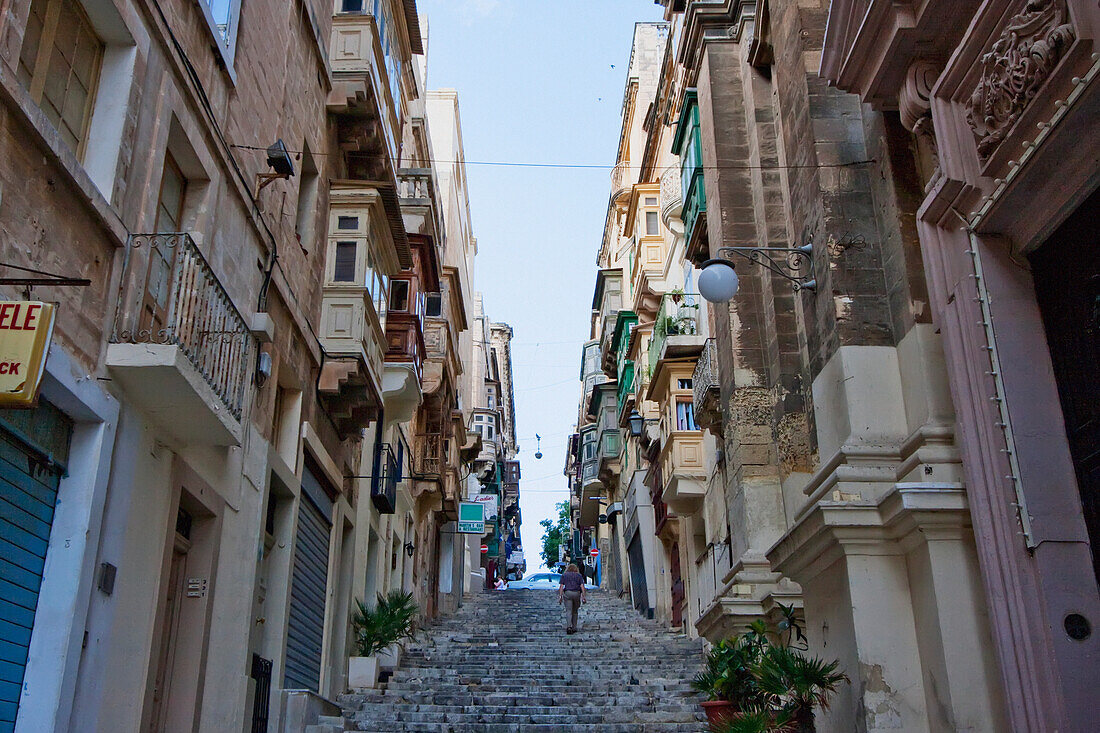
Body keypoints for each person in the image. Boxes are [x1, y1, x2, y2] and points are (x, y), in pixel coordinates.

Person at [558, 563, 587, 633]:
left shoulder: (564, 575)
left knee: (568, 611)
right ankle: (574, 627)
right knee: (575, 611)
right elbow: (582, 587)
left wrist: (560, 596)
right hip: (576, 593)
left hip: (567, 593)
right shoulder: (579, 575)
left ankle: (569, 627)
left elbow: (561, 586)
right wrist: (583, 596)